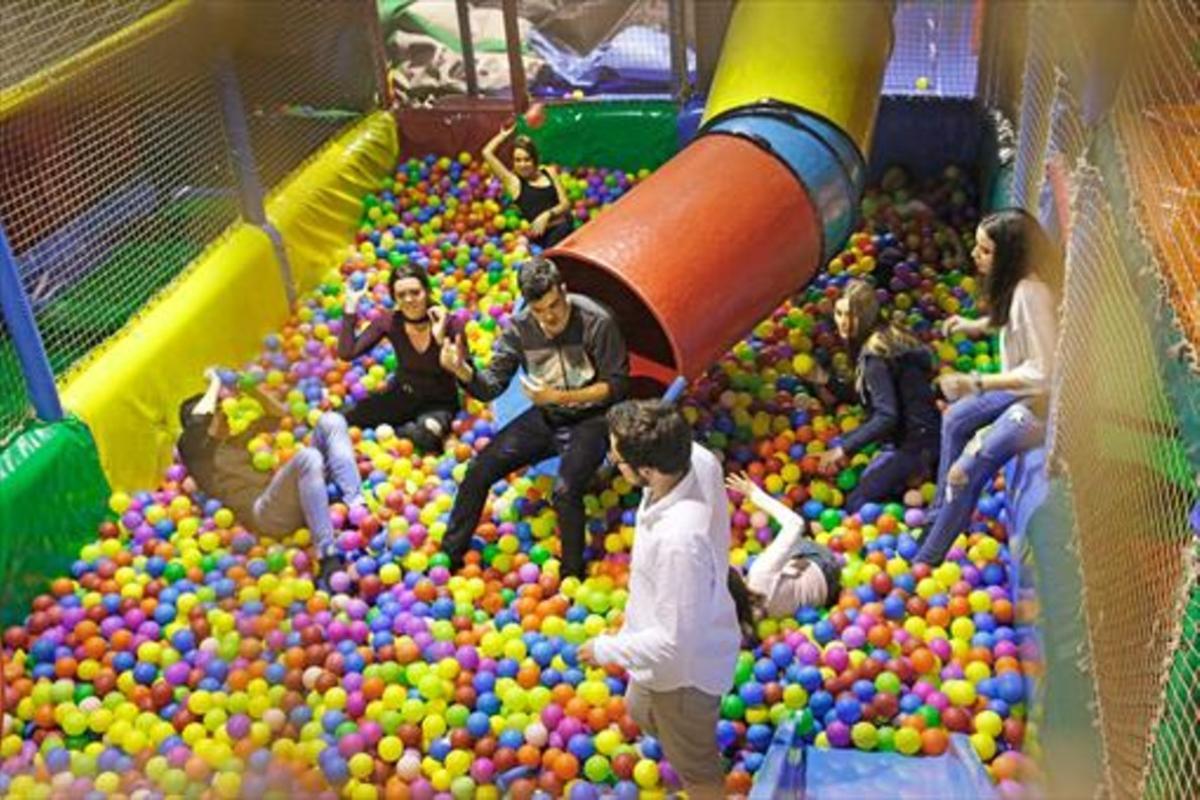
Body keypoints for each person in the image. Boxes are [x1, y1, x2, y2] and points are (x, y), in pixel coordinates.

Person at [578, 400, 740, 800]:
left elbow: (673, 643)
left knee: (697, 769)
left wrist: (605, 648)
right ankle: (685, 744)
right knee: (641, 708)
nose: (613, 461)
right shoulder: (696, 459)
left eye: (619, 460)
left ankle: (700, 770)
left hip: (685, 675)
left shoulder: (679, 542)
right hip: (665, 653)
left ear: (647, 471)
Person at [438, 257, 629, 578]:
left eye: (555, 305)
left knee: (565, 491)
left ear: (564, 291)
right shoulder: (519, 329)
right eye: (539, 311)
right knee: (478, 469)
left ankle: (572, 576)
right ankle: (449, 555)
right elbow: (491, 387)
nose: (549, 317)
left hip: (592, 419)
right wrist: (463, 371)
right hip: (546, 416)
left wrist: (561, 398)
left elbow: (618, 386)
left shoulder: (597, 322)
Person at [915, 208, 1061, 565]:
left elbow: (1044, 373)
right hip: (1021, 392)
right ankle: (940, 517)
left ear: (1009, 255)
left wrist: (976, 383)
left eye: (985, 250)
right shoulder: (1019, 285)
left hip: (1039, 405)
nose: (975, 256)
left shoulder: (1031, 292)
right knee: (955, 419)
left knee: (965, 471)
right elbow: (1010, 319)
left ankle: (926, 560)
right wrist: (973, 325)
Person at [177, 369, 363, 585]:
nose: (223, 413)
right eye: (216, 410)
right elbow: (201, 420)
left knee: (331, 421)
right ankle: (327, 556)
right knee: (308, 458)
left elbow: (278, 415)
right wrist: (216, 383)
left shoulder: (241, 436)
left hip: (299, 495)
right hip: (265, 513)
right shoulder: (196, 452)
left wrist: (252, 390)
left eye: (222, 408)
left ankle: (358, 507)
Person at [815, 279, 942, 512]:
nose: (843, 322)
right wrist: (827, 382)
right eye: (839, 313)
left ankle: (913, 499)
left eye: (851, 315)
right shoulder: (886, 334)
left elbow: (886, 415)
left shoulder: (875, 354)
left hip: (914, 443)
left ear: (865, 316)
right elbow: (870, 394)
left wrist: (844, 449)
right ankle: (912, 481)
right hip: (922, 433)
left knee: (855, 504)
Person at [338, 264, 463, 451]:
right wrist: (350, 308)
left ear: (427, 291)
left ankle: (408, 428)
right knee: (343, 416)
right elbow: (347, 353)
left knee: (426, 436)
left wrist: (441, 340)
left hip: (438, 403)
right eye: (401, 295)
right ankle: (401, 426)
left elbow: (468, 373)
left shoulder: (450, 323)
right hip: (402, 395)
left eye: (415, 292)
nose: (409, 299)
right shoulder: (389, 322)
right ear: (394, 297)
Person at [723, 472, 841, 643]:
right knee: (793, 541)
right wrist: (755, 495)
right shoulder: (760, 573)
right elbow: (795, 524)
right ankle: (814, 529)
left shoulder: (735, 624)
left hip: (819, 600)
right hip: (825, 568)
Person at [482, 123, 573, 248]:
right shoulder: (513, 183)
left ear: (534, 160)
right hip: (548, 238)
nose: (522, 165)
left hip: (568, 226)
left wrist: (546, 215)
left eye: (527, 159)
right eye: (517, 160)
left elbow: (566, 204)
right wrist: (503, 135)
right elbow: (486, 153)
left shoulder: (549, 171)